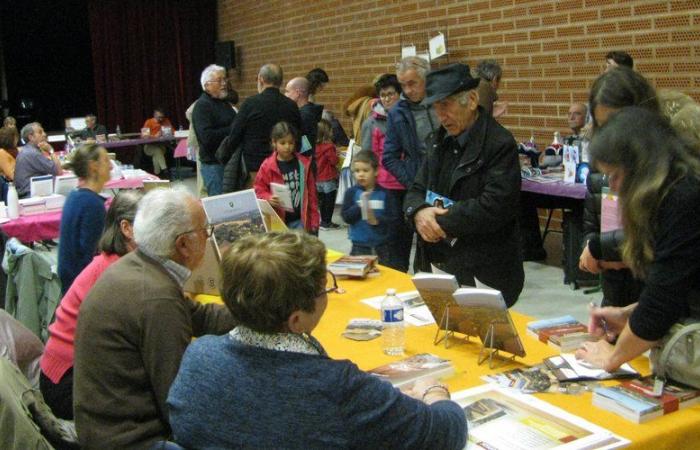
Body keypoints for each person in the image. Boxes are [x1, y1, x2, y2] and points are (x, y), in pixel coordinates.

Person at [167, 231, 467, 449]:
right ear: (296, 320)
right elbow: (443, 433)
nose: (328, 295)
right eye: (323, 290)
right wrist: (435, 392)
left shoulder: (198, 356)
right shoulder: (335, 386)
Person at [73, 188, 236, 449]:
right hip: (132, 440)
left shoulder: (138, 266)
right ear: (183, 244)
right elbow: (179, 401)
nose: (208, 237)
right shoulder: (157, 299)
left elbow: (200, 317)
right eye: (205, 230)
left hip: (102, 425)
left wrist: (255, 311)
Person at [576, 107, 700, 372]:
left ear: (643, 167)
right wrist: (627, 314)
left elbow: (663, 303)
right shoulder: (676, 191)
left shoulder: (684, 199)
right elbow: (679, 288)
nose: (614, 186)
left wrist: (611, 358)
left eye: (617, 175)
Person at [404, 63, 524, 307]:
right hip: (438, 264)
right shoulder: (437, 142)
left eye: (446, 105)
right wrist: (418, 212)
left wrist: (436, 220)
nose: (441, 116)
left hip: (484, 269)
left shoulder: (499, 144)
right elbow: (416, 190)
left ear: (470, 100)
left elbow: (495, 206)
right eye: (436, 108)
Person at [40, 191, 142, 419]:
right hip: (67, 381)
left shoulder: (112, 262)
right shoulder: (116, 273)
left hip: (65, 371)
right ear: (127, 229)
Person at [579, 67, 659, 308]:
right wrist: (594, 250)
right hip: (615, 295)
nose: (613, 136)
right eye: (603, 126)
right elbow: (591, 230)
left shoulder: (663, 172)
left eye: (618, 123)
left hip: (656, 299)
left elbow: (660, 243)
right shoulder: (600, 164)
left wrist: (604, 251)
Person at [382, 56, 439, 272]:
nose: (407, 90)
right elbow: (389, 157)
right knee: (397, 253)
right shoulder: (397, 112)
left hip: (443, 186)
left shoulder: (441, 102)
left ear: (426, 79)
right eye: (403, 85)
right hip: (413, 187)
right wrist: (412, 180)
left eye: (412, 83)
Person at [220, 63, 302, 182]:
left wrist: (225, 156)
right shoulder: (291, 105)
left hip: (256, 165)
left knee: (260, 198)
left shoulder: (250, 104)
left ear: (261, 79)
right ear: (280, 81)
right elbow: (298, 134)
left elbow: (235, 134)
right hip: (285, 164)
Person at [57, 143, 111, 295]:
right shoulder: (92, 204)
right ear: (94, 166)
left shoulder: (75, 195)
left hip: (70, 283)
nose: (111, 167)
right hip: (82, 290)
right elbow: (90, 258)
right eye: (106, 161)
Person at [254, 122, 319, 232]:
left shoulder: (303, 164)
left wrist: (314, 220)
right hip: (277, 222)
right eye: (282, 143)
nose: (287, 147)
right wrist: (268, 197)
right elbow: (258, 189)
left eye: (291, 143)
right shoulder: (267, 166)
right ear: (274, 143)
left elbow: (312, 194)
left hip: (300, 221)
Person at [341, 150, 401, 267]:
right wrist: (360, 206)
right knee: (359, 277)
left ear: (376, 171)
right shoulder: (351, 193)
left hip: (382, 246)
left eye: (365, 170)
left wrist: (377, 220)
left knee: (382, 276)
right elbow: (346, 217)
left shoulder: (385, 194)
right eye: (357, 171)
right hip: (359, 246)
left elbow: (393, 219)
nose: (361, 174)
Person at [192, 64, 236, 196]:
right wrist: (232, 130)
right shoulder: (202, 106)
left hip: (229, 162)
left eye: (225, 80)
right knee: (221, 206)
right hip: (214, 165)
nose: (224, 84)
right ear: (207, 85)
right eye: (220, 80)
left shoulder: (224, 103)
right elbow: (207, 137)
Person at [359, 74, 403, 196]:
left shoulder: (408, 116)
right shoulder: (371, 123)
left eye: (391, 94)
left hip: (408, 180)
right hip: (385, 183)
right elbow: (367, 156)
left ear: (399, 94)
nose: (387, 99)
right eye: (383, 95)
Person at [14, 122, 62, 198]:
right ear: (31, 137)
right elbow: (59, 171)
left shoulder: (28, 150)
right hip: (30, 196)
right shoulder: (33, 153)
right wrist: (51, 150)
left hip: (29, 194)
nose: (44, 134)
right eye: (40, 132)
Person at [286, 76, 324, 168]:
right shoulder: (305, 112)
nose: (285, 95)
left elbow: (305, 143)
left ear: (297, 93)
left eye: (287, 91)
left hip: (304, 164)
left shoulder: (305, 115)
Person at [315, 119, 339, 229]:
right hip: (328, 178)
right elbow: (334, 161)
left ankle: (322, 221)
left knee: (322, 201)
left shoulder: (313, 147)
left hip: (317, 178)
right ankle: (327, 222)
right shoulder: (329, 147)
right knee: (329, 201)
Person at [142, 107, 174, 177]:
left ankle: (157, 174)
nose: (161, 119)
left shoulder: (166, 121)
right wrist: (155, 136)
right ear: (154, 115)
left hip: (161, 145)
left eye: (162, 117)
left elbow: (172, 132)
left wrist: (165, 133)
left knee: (157, 155)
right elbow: (144, 136)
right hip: (149, 147)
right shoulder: (149, 122)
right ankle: (165, 171)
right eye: (159, 117)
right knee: (157, 151)